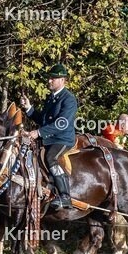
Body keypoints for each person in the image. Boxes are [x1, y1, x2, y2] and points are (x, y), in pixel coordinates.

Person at [20, 63, 79, 210]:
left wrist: (38, 133)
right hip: (48, 138)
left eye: (53, 78)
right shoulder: (50, 98)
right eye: (49, 78)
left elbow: (62, 124)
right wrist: (29, 108)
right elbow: (43, 120)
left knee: (50, 157)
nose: (49, 81)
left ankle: (65, 196)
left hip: (63, 139)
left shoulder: (69, 99)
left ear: (63, 80)